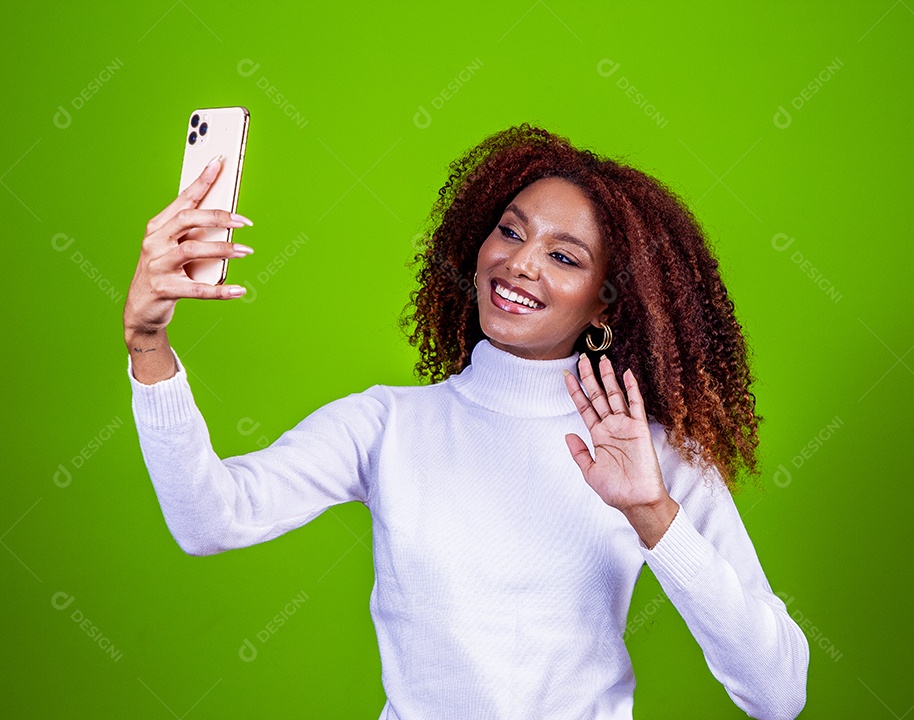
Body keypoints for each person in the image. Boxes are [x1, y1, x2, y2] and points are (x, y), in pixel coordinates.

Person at [123, 123, 809, 719]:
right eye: (510, 232)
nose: (518, 263)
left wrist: (653, 513)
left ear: (605, 305)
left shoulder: (648, 454)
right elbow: (208, 520)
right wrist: (148, 345)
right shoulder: (387, 425)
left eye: (564, 256)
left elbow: (778, 694)